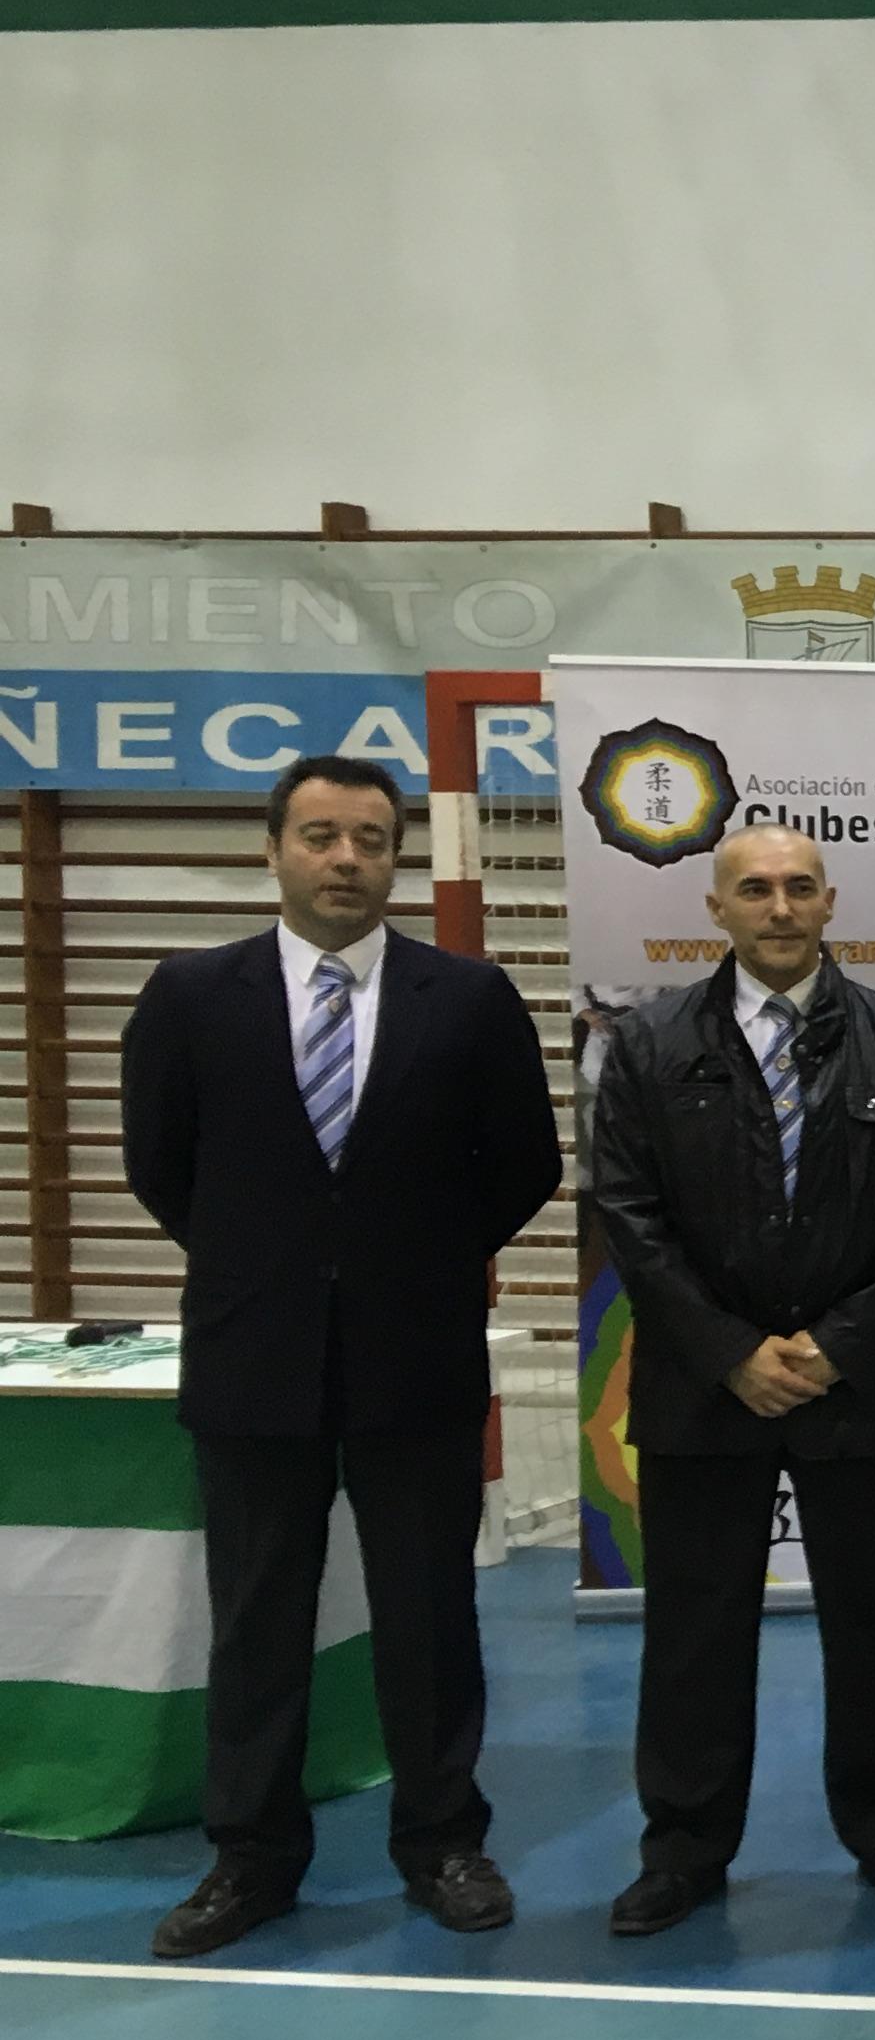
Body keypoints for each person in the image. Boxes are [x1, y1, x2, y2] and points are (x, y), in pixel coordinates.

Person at [118, 757, 564, 1959]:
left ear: (396, 856)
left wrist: (408, 1263)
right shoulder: (189, 996)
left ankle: (444, 1843)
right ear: (273, 849)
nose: (346, 859)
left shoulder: (468, 999)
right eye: (320, 835)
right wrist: (274, 1266)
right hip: (251, 1364)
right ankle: (250, 1860)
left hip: (415, 1361)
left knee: (431, 1617)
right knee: (256, 1622)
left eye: (369, 837)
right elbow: (160, 1166)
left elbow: (524, 1163)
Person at [586, 827, 875, 1934]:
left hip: (862, 1385)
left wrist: (836, 1345)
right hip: (701, 1387)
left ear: (829, 903)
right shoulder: (651, 1043)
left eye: (799, 888)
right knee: (694, 1627)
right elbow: (626, 1210)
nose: (778, 907)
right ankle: (683, 1850)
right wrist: (730, 1352)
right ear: (715, 908)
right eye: (754, 889)